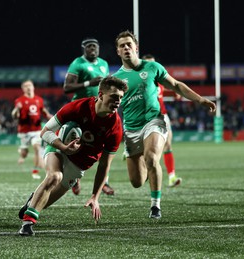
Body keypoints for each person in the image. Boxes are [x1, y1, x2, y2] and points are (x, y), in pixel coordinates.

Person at [112, 30, 216, 219]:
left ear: (136, 47)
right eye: (122, 45)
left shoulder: (152, 67)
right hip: (131, 129)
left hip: (154, 121)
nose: (126, 47)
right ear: (118, 51)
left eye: (129, 44)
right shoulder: (117, 79)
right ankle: (145, 162)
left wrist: (200, 99)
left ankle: (155, 206)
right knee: (136, 181)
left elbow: (175, 85)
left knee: (152, 158)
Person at [18, 76, 128, 236]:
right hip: (59, 148)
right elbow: (45, 132)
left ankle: (32, 201)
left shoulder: (116, 127)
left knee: (43, 202)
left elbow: (104, 165)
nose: (118, 101)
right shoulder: (78, 107)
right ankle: (27, 224)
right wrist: (64, 147)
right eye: (114, 97)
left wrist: (95, 197)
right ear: (101, 94)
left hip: (79, 165)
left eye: (120, 98)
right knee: (54, 177)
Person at [63, 37, 114, 196]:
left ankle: (104, 182)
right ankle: (74, 178)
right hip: (80, 110)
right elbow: (67, 87)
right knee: (77, 144)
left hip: (99, 110)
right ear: (84, 49)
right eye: (89, 46)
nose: (93, 49)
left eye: (95, 46)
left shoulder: (104, 64)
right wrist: (88, 83)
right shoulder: (78, 63)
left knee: (103, 147)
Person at [142, 53, 182, 187]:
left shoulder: (160, 81)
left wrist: (175, 93)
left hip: (163, 115)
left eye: (153, 64)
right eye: (148, 64)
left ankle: (171, 176)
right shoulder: (141, 81)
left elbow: (164, 92)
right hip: (147, 117)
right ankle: (146, 171)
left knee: (168, 145)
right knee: (148, 149)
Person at [11, 79, 53, 179]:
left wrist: (49, 116)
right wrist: (17, 109)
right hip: (24, 131)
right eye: (25, 86)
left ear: (33, 87)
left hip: (37, 130)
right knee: (24, 154)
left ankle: (35, 171)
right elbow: (14, 116)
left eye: (30, 85)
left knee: (37, 148)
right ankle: (21, 152)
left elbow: (44, 111)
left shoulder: (39, 100)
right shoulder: (19, 101)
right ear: (23, 89)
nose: (28, 87)